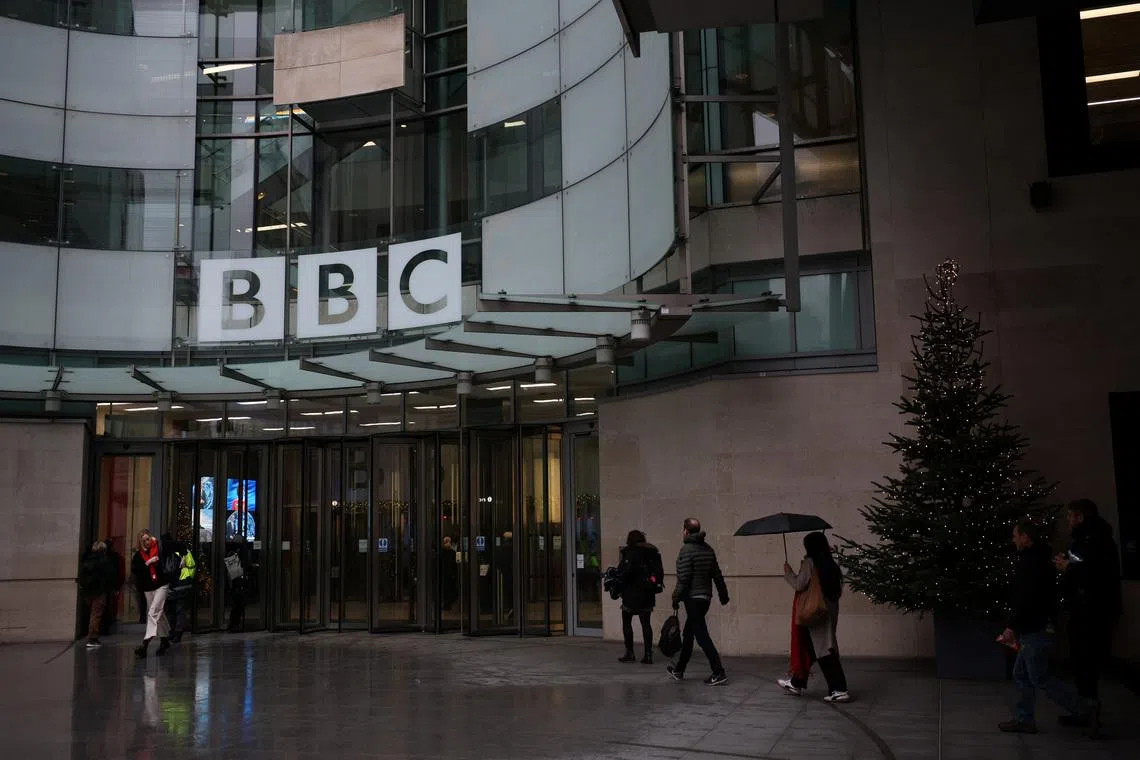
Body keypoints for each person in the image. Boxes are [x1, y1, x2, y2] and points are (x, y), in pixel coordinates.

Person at [998, 520, 1091, 734]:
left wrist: (1012, 625)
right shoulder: (1040, 559)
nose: (1013, 540)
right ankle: (1025, 718)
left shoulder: (1030, 563)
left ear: (1026, 537)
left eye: (1015, 535)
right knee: (1022, 673)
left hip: (1035, 626)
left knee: (1038, 676)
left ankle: (1083, 709)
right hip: (1036, 624)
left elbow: (1025, 598)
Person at [1054, 499, 1122, 731]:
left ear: (1080, 517)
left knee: (1087, 661)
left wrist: (1068, 568)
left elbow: (1094, 574)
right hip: (1083, 609)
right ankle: (1083, 709)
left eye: (1071, 516)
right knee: (1081, 662)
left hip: (1092, 611)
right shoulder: (1086, 541)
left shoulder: (1095, 541)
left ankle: (1089, 712)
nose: (1068, 521)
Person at [778, 532, 850, 702]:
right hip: (828, 608)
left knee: (824, 649)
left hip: (815, 611)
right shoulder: (830, 564)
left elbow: (799, 584)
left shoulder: (810, 563)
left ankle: (839, 689)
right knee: (812, 646)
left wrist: (788, 573)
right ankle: (797, 682)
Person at [667, 518, 730, 685]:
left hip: (693, 599)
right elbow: (717, 574)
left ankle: (718, 671)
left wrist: (675, 598)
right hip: (705, 598)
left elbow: (683, 578)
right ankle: (679, 669)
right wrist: (723, 595)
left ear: (686, 531)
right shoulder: (708, 549)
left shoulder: (686, 550)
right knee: (689, 634)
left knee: (701, 636)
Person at [617, 530, 664, 664]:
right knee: (646, 624)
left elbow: (625, 572)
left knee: (627, 622)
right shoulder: (652, 552)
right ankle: (648, 654)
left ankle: (629, 653)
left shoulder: (630, 552)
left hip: (631, 593)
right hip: (647, 592)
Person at [131, 530, 171, 658]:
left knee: (153, 612)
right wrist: (148, 563)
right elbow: (136, 570)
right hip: (148, 588)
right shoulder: (138, 556)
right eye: (144, 540)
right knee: (159, 614)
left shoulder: (158, 550)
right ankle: (165, 641)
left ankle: (145, 645)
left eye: (148, 539)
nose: (147, 542)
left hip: (161, 585)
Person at [78, 541, 116, 649]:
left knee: (92, 613)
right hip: (99, 591)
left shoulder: (87, 559)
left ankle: (91, 635)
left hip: (87, 591)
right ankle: (92, 637)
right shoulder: (105, 560)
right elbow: (111, 576)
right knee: (96, 614)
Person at [161, 532, 195, 644]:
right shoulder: (185, 552)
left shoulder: (170, 553)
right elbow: (192, 567)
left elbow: (168, 570)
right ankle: (176, 632)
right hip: (184, 583)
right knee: (179, 610)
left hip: (176, 584)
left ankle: (173, 632)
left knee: (173, 609)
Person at [101, 537, 125, 636]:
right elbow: (117, 573)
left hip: (103, 586)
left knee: (103, 608)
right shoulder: (114, 557)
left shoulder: (106, 557)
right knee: (107, 607)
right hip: (109, 586)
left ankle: (103, 627)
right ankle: (105, 627)